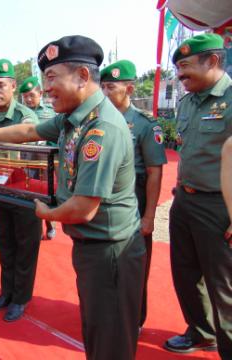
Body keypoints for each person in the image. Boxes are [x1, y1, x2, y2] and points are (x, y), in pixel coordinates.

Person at [0, 36, 146, 359]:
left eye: (51, 78)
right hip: (93, 248)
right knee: (97, 333)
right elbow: (29, 131)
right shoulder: (74, 117)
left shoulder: (102, 128)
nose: (46, 89)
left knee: (111, 340)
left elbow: (84, 209)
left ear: (83, 77)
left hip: (110, 253)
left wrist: (43, 212)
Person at [163, 33, 232, 358]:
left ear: (213, 61)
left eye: (186, 67)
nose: (180, 75)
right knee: (185, 273)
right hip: (185, 200)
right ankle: (201, 332)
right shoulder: (188, 101)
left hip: (220, 205)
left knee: (224, 287)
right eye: (178, 68)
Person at [100, 59, 167, 330]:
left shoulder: (143, 125)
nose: (105, 93)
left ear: (129, 88)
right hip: (105, 198)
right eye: (102, 87)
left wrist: (149, 216)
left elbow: (154, 172)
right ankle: (109, 312)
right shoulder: (98, 119)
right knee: (106, 261)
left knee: (134, 264)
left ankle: (134, 319)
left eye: (111, 87)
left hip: (134, 196)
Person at [0, 58, 42, 322]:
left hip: (25, 190)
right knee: (5, 244)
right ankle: (6, 292)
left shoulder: (25, 115)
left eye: (0, 85)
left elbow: (26, 136)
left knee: (25, 246)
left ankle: (21, 297)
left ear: (13, 86)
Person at [19, 76, 57, 240]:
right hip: (27, 158)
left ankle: (49, 224)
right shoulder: (22, 112)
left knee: (45, 193)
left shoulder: (50, 111)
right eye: (25, 96)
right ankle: (34, 227)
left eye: (31, 95)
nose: (28, 99)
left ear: (40, 93)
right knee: (28, 192)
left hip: (44, 160)